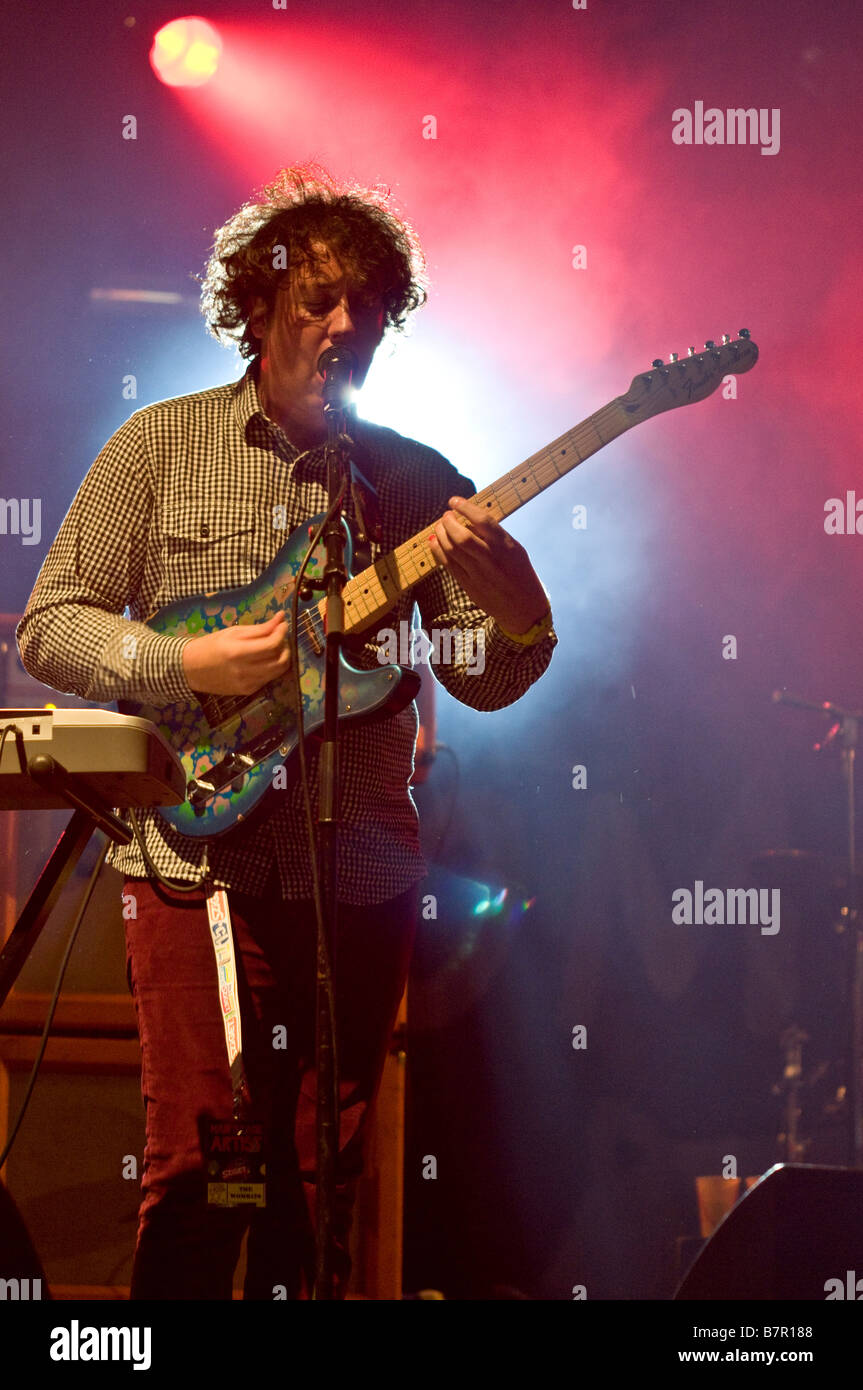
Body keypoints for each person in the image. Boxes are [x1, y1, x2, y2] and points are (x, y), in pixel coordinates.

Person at [16, 165, 557, 1299]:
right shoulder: (158, 448)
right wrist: (181, 660)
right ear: (254, 311)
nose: (343, 325)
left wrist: (519, 617)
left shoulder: (413, 483)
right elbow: (50, 625)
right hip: (196, 865)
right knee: (208, 1172)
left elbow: (485, 679)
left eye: (363, 304)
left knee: (321, 1182)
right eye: (315, 299)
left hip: (357, 867)